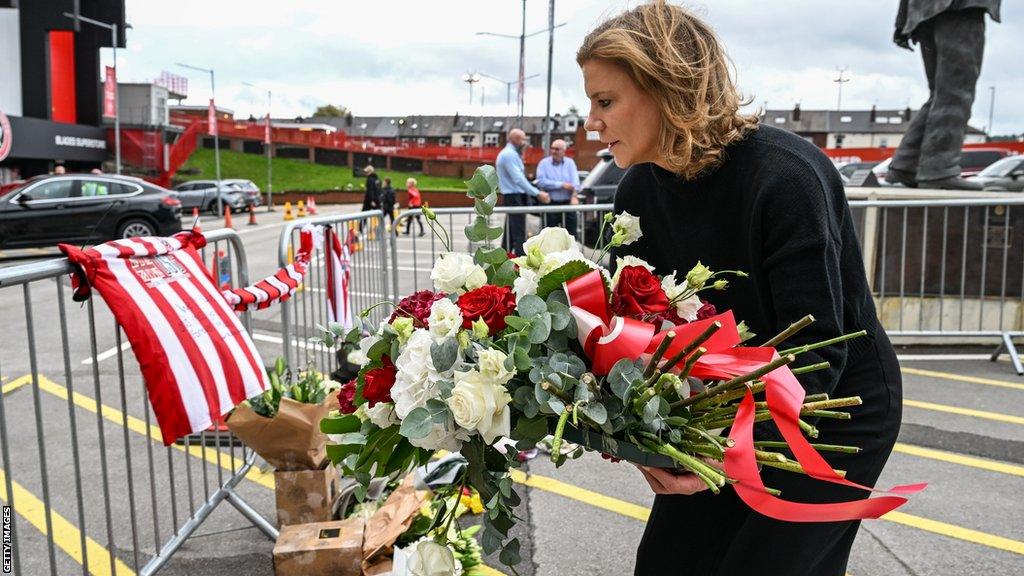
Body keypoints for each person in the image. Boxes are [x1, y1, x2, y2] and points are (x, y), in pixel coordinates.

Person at [578, 3, 901, 575]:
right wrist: (644, 440)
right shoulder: (635, 195)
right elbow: (641, 334)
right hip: (721, 408)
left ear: (668, 89)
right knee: (667, 564)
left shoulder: (785, 178)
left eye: (606, 102)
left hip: (834, 408)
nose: (591, 123)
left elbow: (820, 349)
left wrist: (718, 454)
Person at [887, 0, 1001, 190]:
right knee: (956, 92)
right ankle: (939, 169)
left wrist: (902, 20)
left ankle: (907, 164)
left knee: (941, 93)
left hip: (923, 12)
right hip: (958, 6)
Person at [496, 128, 549, 256]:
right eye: (523, 139)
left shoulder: (512, 154)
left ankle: (502, 260)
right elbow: (518, 179)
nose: (525, 142)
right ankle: (521, 264)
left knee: (510, 233)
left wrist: (522, 152)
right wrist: (537, 193)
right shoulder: (509, 154)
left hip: (513, 196)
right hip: (514, 196)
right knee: (519, 234)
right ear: (514, 139)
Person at [536, 139, 581, 237]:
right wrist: (561, 185)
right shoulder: (544, 163)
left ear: (564, 151)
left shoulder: (570, 163)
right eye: (552, 148)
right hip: (550, 204)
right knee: (549, 237)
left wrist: (574, 195)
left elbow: (575, 184)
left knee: (571, 236)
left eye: (557, 149)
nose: (553, 151)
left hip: (568, 204)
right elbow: (541, 182)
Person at [360, 165, 381, 232]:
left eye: (366, 172)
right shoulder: (377, 179)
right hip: (377, 199)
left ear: (370, 172)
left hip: (369, 200)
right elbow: (379, 190)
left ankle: (360, 229)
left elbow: (370, 190)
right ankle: (381, 227)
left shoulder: (369, 179)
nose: (365, 173)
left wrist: (372, 200)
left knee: (364, 215)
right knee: (379, 215)